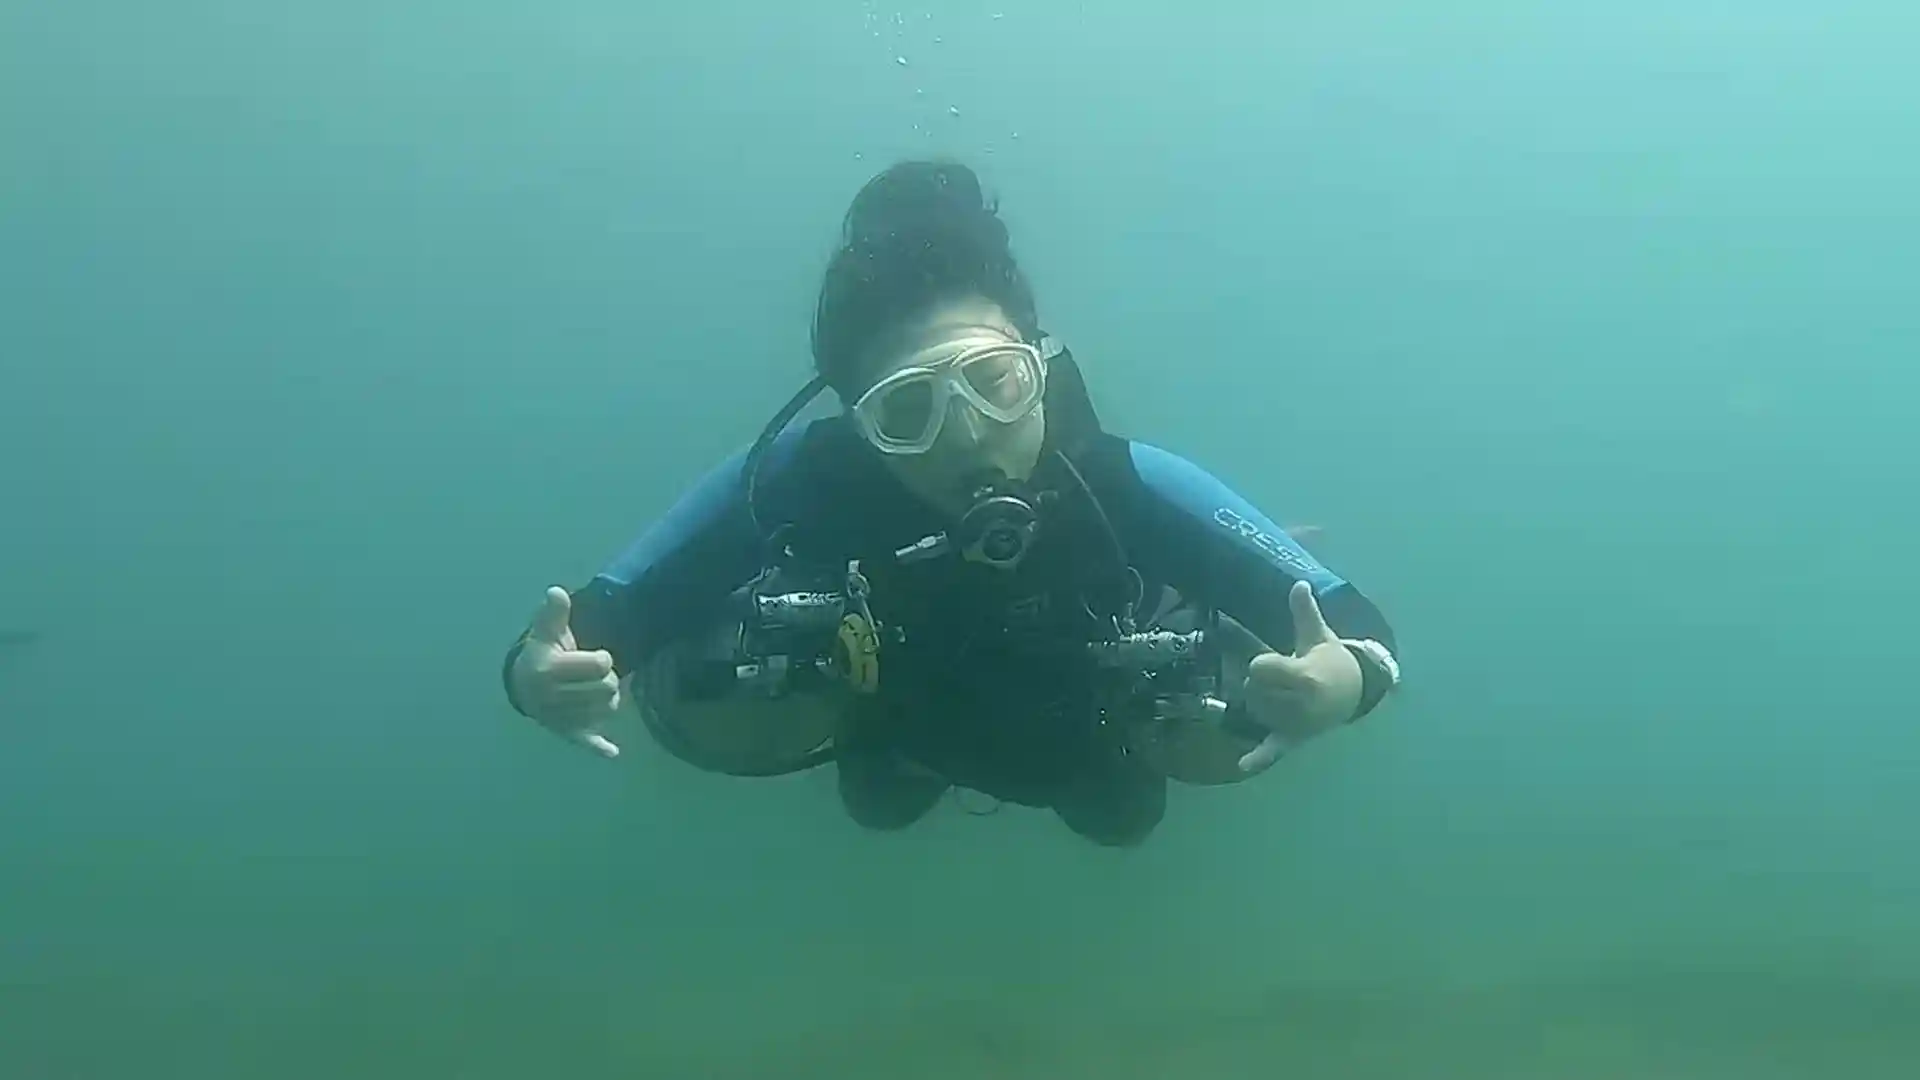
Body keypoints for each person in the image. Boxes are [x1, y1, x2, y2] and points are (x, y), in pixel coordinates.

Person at [502, 160, 1401, 847]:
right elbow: (596, 619)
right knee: (880, 805)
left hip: (1085, 731)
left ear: (1040, 366)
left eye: (994, 383)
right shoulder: (802, 479)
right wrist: (538, 680)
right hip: (897, 727)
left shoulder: (1121, 481)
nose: (968, 437)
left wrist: (1340, 682)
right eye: (909, 410)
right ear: (858, 422)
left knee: (1123, 822)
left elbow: (1352, 624)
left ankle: (1192, 611)